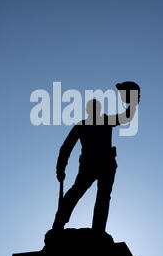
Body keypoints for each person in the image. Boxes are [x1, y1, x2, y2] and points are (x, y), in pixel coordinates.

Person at [52, 82, 140, 232]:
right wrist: (60, 167)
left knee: (100, 197)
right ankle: (59, 224)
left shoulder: (103, 121)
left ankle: (97, 231)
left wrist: (132, 101)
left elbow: (126, 117)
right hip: (91, 164)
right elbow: (66, 148)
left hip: (104, 164)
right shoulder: (85, 124)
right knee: (79, 193)